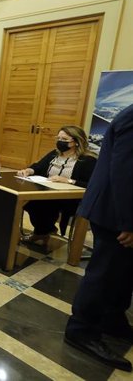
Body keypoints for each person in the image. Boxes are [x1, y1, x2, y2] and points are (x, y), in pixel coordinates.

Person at [63, 105, 133, 372]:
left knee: (124, 272)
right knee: (104, 272)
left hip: (120, 212)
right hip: (114, 211)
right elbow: (125, 172)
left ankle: (113, 320)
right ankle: (81, 329)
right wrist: (129, 221)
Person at [16, 125, 97, 243]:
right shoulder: (55, 154)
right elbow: (39, 167)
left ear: (76, 141)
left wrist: (68, 180)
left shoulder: (87, 160)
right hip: (47, 192)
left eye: (64, 140)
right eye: (58, 138)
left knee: (39, 204)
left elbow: (91, 184)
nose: (60, 142)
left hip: (71, 198)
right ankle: (45, 230)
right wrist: (28, 170)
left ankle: (42, 232)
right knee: (27, 201)